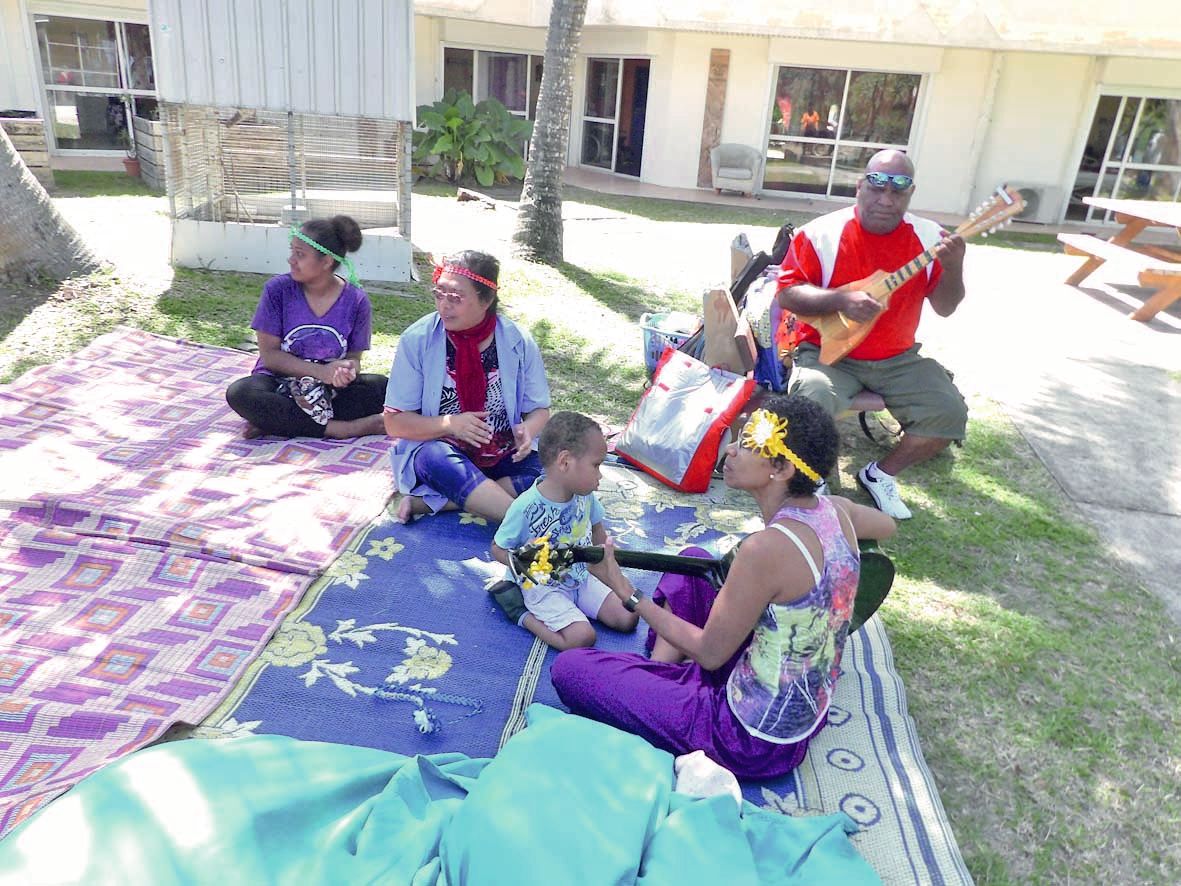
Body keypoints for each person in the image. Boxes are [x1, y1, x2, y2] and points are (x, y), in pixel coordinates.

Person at [550, 395, 895, 779]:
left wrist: (623, 587)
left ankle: (652, 686)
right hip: (799, 701)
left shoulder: (763, 551)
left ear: (780, 468)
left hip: (748, 738)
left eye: (747, 445)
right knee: (695, 559)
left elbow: (709, 655)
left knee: (571, 669)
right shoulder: (836, 510)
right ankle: (655, 681)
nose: (730, 450)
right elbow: (887, 526)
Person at [776, 149, 968, 519]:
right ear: (860, 186)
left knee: (949, 412)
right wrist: (841, 300)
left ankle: (880, 474)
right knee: (811, 399)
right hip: (828, 353)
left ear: (910, 194)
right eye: (876, 187)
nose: (885, 199)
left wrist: (954, 268)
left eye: (898, 191)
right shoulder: (822, 234)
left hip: (897, 358)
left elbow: (946, 306)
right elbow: (787, 293)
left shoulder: (931, 238)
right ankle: (813, 478)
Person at [384, 250, 551, 524]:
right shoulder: (417, 340)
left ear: (486, 300)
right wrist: (450, 425)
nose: (444, 306)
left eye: (456, 298)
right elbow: (394, 423)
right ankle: (527, 526)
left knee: (554, 470)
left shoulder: (518, 341)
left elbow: (540, 410)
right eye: (439, 294)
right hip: (443, 453)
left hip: (500, 455)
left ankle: (442, 501)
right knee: (433, 457)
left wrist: (528, 430)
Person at [225, 215, 388, 440]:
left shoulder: (356, 300)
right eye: (292, 251)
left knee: (382, 388)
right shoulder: (277, 290)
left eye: (300, 254)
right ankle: (343, 429)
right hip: (278, 384)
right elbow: (270, 356)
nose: (291, 260)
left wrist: (346, 370)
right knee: (241, 393)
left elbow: (354, 358)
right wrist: (321, 371)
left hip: (328, 391)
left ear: (326, 262)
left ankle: (278, 422)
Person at [490, 412, 640, 651]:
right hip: (542, 587)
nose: (600, 475)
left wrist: (614, 574)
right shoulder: (526, 507)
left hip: (580, 577)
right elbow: (498, 547)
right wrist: (524, 564)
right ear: (565, 461)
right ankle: (520, 612)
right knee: (582, 638)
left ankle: (573, 610)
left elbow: (599, 534)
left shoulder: (585, 496)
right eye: (596, 465)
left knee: (628, 616)